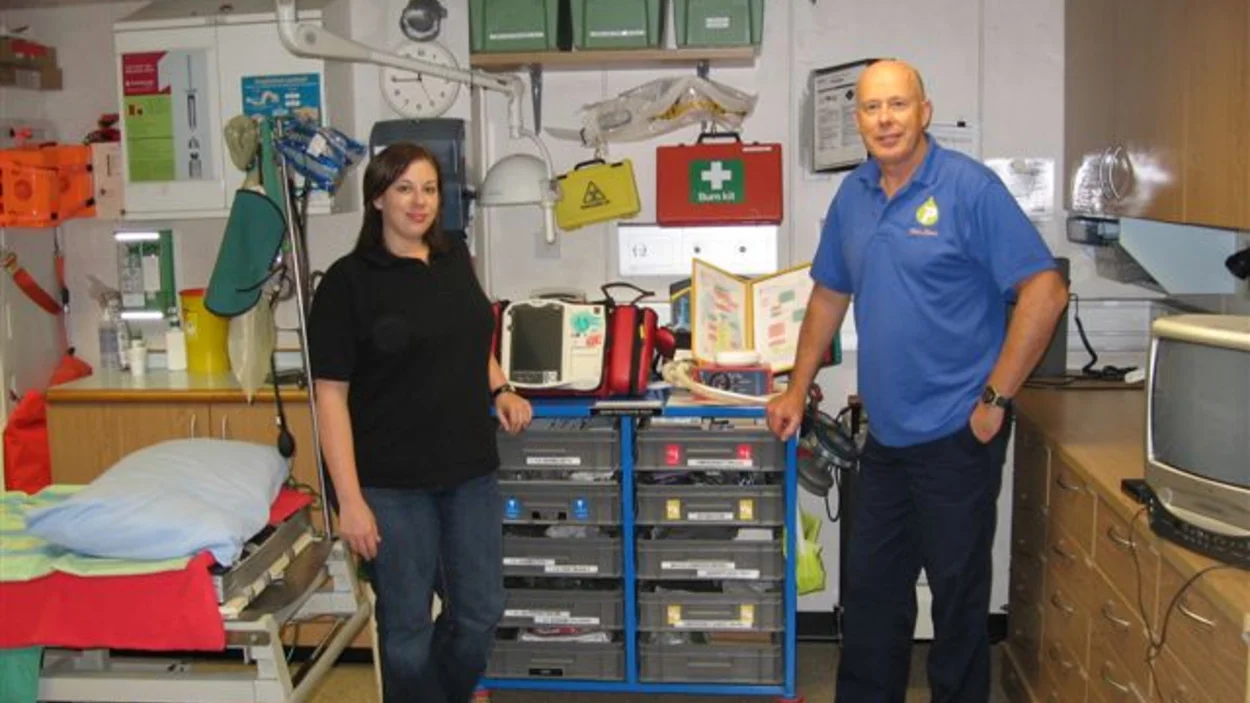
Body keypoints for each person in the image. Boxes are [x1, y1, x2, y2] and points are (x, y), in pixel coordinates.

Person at [766, 60, 1068, 703]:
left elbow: (1045, 291)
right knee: (871, 596)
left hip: (959, 435)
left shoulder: (969, 189)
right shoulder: (854, 195)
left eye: (898, 105)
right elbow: (829, 294)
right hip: (885, 438)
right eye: (872, 108)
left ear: (924, 112)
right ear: (858, 120)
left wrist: (995, 399)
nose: (885, 120)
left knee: (957, 601)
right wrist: (796, 387)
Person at [308, 142, 532, 703]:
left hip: (468, 470)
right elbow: (329, 397)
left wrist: (500, 387)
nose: (419, 202)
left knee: (480, 611)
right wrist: (349, 500)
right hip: (390, 484)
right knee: (407, 629)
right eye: (404, 188)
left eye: (429, 189)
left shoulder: (453, 256)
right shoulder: (348, 282)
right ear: (377, 198)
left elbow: (471, 337)